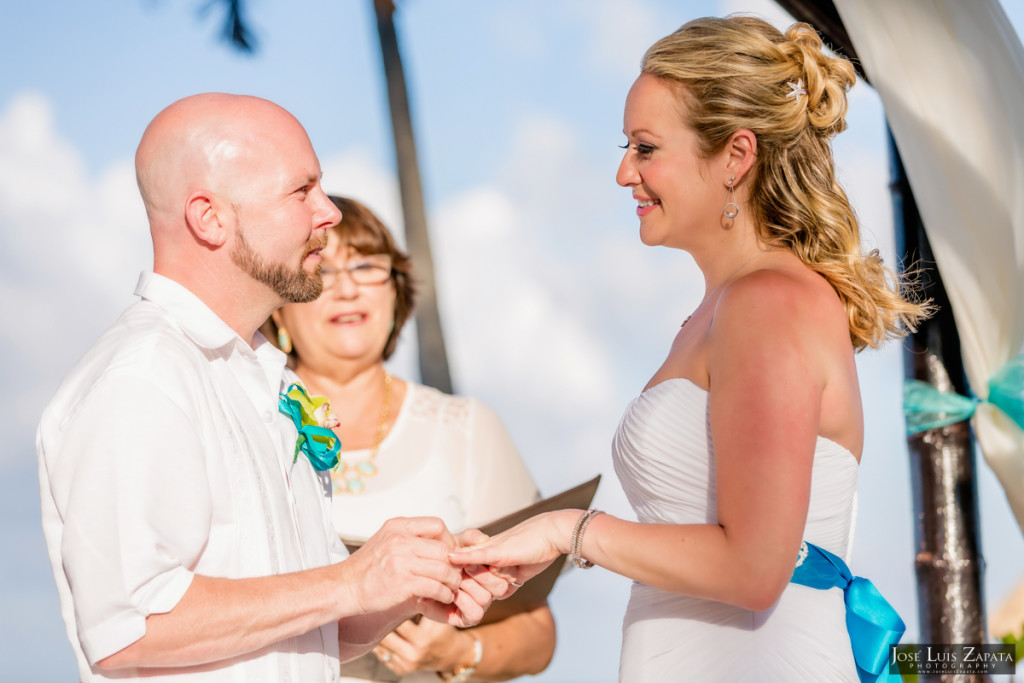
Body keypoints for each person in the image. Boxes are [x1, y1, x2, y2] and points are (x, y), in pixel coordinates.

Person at [451, 16, 931, 682]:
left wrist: (570, 531)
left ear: (735, 155)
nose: (623, 172)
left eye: (646, 148)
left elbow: (755, 567)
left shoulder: (767, 302)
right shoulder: (721, 310)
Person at [36, 93, 508, 683]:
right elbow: (130, 626)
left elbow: (312, 630)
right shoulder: (144, 376)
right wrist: (349, 580)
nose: (329, 213)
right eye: (301, 191)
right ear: (210, 218)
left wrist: (408, 587)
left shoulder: (263, 376)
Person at [264, 195, 556, 683]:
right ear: (280, 309)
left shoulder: (465, 428)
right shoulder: (250, 420)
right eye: (324, 270)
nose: (349, 289)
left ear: (395, 290)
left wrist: (459, 651)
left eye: (365, 266)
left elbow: (538, 629)